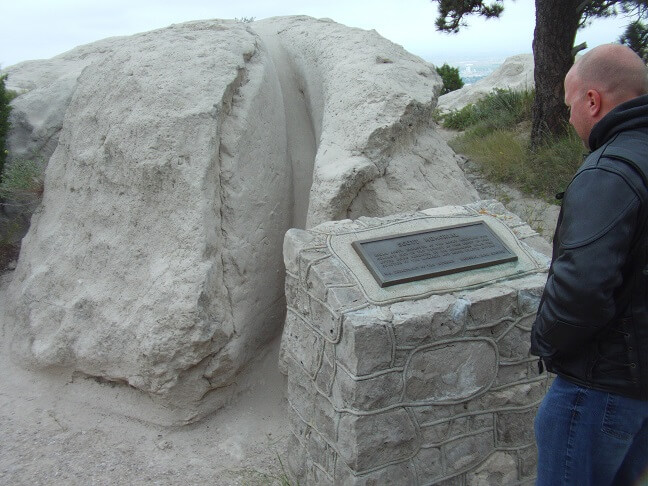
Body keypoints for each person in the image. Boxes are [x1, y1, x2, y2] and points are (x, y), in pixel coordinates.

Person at [531, 43, 648, 486]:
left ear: (592, 100)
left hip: (597, 388)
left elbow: (581, 288)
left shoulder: (609, 171)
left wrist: (546, 343)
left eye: (570, 105)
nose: (569, 117)